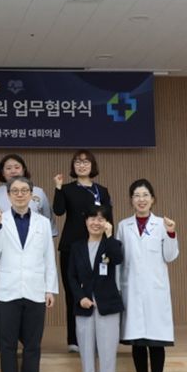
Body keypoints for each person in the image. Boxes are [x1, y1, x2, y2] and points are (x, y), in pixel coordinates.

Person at [0, 176, 58, 372]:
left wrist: (50, 288)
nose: (19, 194)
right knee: (7, 344)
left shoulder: (42, 223)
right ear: (8, 195)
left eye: (24, 190)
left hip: (35, 289)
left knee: (33, 343)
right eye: (14, 191)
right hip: (8, 290)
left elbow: (49, 257)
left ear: (31, 194)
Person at [0, 154, 56, 350]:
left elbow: (48, 218)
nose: (13, 170)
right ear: (2, 172)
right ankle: (1, 338)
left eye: (16, 166)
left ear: (24, 169)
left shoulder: (38, 191)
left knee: (30, 299)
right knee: (1, 296)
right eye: (8, 167)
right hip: (2, 251)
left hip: (32, 251)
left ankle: (25, 338)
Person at [117, 179, 179, 372]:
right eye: (136, 195)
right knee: (138, 342)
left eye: (145, 195)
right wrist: (117, 288)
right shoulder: (124, 226)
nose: (141, 200)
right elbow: (118, 259)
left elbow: (170, 256)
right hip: (131, 289)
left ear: (152, 199)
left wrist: (171, 233)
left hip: (155, 291)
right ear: (131, 200)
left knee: (156, 341)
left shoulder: (163, 224)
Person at [53, 150, 112, 353]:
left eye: (86, 162)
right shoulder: (67, 189)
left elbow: (109, 218)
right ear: (73, 166)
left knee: (95, 291)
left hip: (96, 246)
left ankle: (96, 338)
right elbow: (58, 211)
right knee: (73, 292)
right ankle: (74, 339)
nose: (82, 165)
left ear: (92, 166)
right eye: (78, 162)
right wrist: (58, 188)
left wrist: (108, 243)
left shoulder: (101, 190)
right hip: (71, 247)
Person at [67, 206, 123, 372]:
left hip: (107, 305)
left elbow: (117, 258)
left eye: (101, 219)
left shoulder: (112, 244)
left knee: (107, 352)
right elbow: (71, 277)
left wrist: (109, 236)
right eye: (92, 218)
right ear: (86, 221)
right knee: (87, 352)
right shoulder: (77, 247)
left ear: (107, 222)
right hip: (84, 307)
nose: (96, 222)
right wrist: (80, 297)